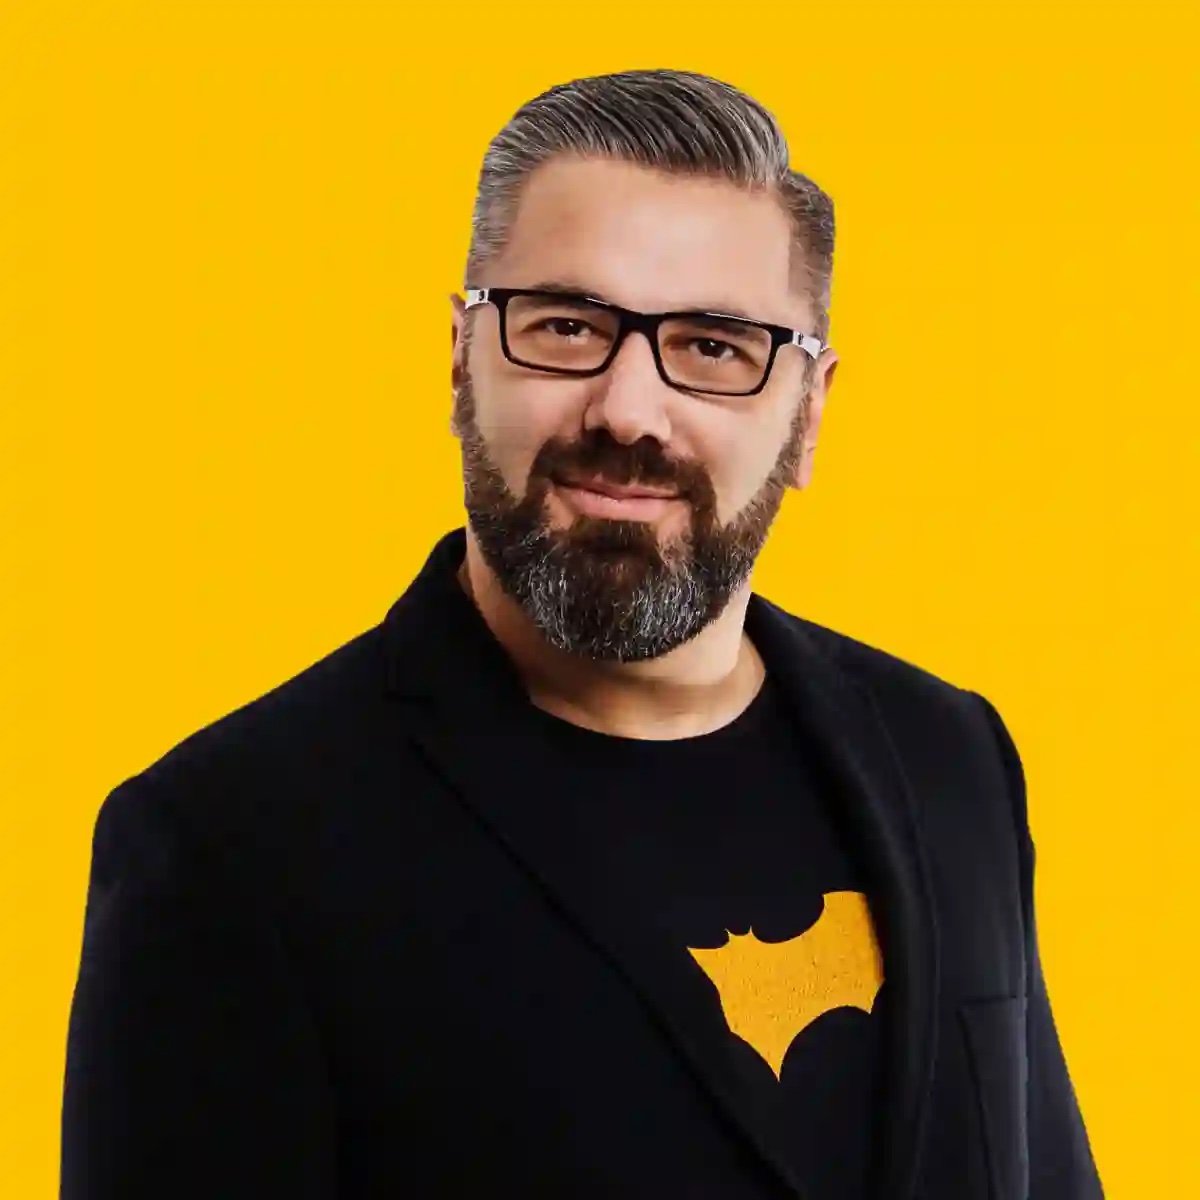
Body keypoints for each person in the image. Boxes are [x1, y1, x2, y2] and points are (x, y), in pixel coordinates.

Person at [60, 69, 1103, 1200]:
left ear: (809, 411)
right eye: (567, 327)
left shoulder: (950, 754)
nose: (628, 410)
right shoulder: (228, 846)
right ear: (461, 357)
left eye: (715, 346)